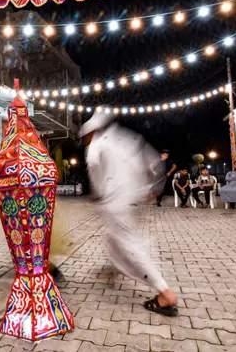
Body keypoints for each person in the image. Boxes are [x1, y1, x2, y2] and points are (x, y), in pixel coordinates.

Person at [78, 110, 178, 316]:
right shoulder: (124, 139)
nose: (85, 140)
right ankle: (114, 270)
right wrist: (148, 190)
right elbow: (150, 164)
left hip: (115, 200)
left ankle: (165, 293)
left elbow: (95, 170)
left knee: (129, 242)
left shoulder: (97, 146)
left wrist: (97, 194)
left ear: (93, 131)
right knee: (114, 238)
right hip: (131, 197)